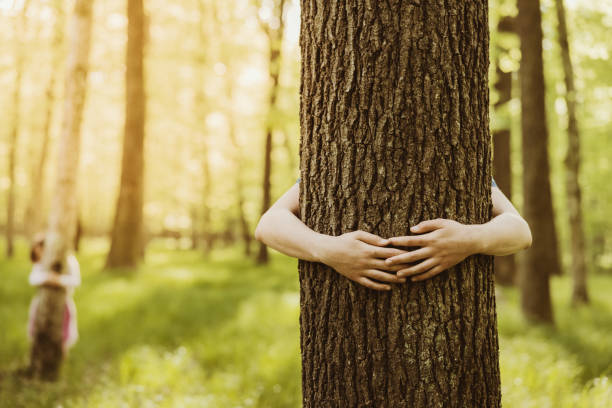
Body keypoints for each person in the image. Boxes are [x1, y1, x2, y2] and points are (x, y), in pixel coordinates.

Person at [255, 178, 532, 291]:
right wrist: (326, 249)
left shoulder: (468, 166)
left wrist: (470, 239)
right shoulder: (328, 164)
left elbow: (520, 231)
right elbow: (269, 223)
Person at [28, 234, 81, 351]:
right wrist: (47, 278)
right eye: (37, 253)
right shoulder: (40, 263)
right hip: (42, 303)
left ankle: (60, 357)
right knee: (39, 330)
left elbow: (76, 280)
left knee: (63, 333)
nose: (40, 255)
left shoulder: (68, 259)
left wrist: (59, 280)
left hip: (63, 303)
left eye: (41, 251)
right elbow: (33, 278)